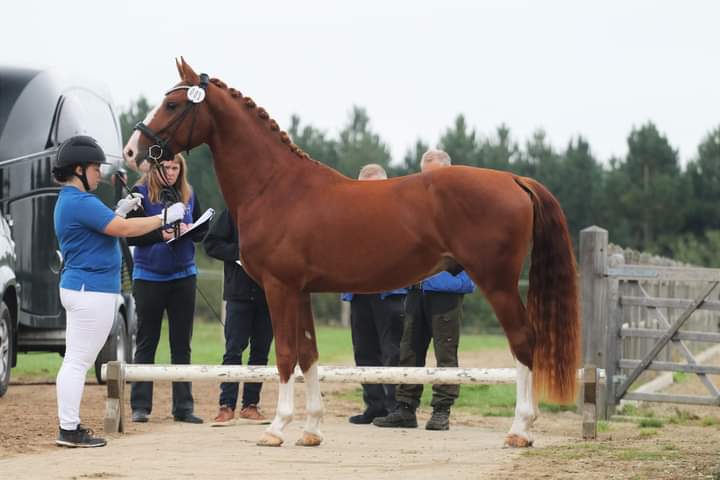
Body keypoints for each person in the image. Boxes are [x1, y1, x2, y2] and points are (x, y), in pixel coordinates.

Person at [52, 135, 185, 447]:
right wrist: (162, 217)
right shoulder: (80, 202)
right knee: (78, 362)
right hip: (92, 290)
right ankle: (69, 429)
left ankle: (68, 426)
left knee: (74, 360)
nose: (100, 173)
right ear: (79, 169)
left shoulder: (71, 202)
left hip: (81, 287)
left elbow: (104, 229)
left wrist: (120, 210)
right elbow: (121, 230)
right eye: (96, 167)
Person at [373, 150, 475, 431]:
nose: (427, 180)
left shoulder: (461, 207)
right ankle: (406, 407)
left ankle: (442, 409)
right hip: (416, 289)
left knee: (445, 353)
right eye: (424, 174)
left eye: (433, 174)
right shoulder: (417, 206)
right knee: (409, 350)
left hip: (446, 291)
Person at [127, 153, 209, 424]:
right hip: (148, 276)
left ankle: (183, 407)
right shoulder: (139, 193)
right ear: (155, 168)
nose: (171, 172)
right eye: (167, 167)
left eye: (176, 167)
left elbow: (201, 230)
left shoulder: (189, 193)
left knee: (181, 344)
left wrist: (191, 228)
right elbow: (130, 233)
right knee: (146, 342)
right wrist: (158, 234)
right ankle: (140, 406)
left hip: (184, 275)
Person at [342, 164, 407, 424]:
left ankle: (395, 406)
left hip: (390, 292)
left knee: (392, 351)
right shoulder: (349, 214)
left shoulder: (399, 212)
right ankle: (374, 405)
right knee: (364, 351)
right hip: (358, 292)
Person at [203, 208, 273, 426]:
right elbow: (211, 244)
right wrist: (240, 253)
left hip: (268, 293)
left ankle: (251, 405)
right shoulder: (233, 211)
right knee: (233, 350)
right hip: (239, 294)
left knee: (261, 351)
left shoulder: (277, 211)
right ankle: (226, 406)